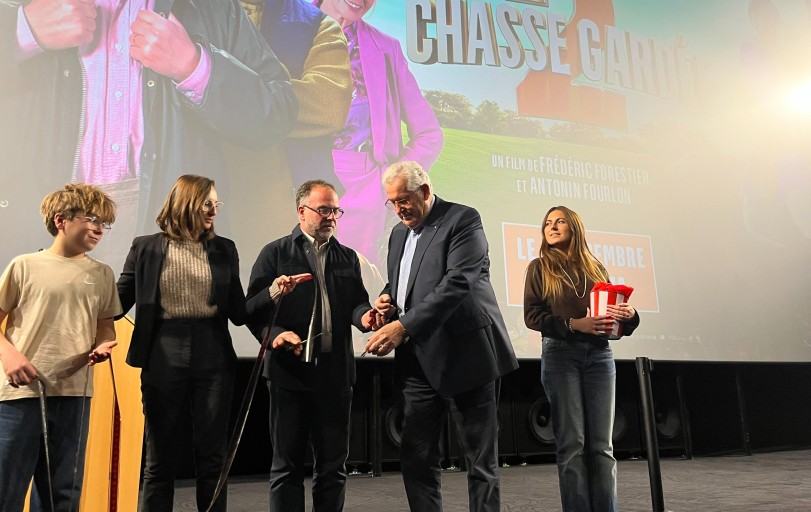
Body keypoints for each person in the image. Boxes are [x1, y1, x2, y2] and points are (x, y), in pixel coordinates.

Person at [0, 0, 298, 316]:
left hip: (156, 244)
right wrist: (20, 28)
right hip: (6, 231)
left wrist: (195, 66)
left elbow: (275, 113)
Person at [363, 161, 518, 512]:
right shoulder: (398, 233)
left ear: (425, 191)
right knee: (416, 458)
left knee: (480, 462)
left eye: (404, 199)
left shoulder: (462, 219)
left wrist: (403, 326)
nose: (399, 209)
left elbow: (457, 283)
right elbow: (405, 281)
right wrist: (388, 300)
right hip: (417, 363)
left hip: (467, 356)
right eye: (392, 202)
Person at [0, 183, 121, 512]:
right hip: (19, 394)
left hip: (74, 395)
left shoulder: (102, 274)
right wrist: (9, 355)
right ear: (61, 220)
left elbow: (105, 327)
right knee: (1, 491)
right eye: (91, 219)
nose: (99, 228)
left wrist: (103, 345)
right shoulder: (24, 265)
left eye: (104, 223)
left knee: (61, 494)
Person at [214, 0, 352, 255]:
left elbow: (328, 106)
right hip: (194, 209)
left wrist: (206, 82)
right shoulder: (180, 4)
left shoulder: (318, 26)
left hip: (278, 224)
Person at [116, 175, 253, 512]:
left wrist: (275, 291)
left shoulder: (224, 249)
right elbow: (117, 303)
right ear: (186, 202)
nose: (214, 211)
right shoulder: (145, 247)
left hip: (214, 354)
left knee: (212, 457)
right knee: (160, 457)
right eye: (208, 204)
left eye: (216, 205)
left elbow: (238, 312)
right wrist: (84, 283)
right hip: (163, 352)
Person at [245, 179, 375, 512]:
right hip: (289, 375)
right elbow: (252, 311)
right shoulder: (275, 253)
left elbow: (356, 304)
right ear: (301, 211)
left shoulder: (347, 257)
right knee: (286, 467)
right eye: (324, 210)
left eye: (336, 211)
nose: (331, 217)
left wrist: (366, 317)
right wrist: (276, 335)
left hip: (335, 376)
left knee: (333, 467)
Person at [314, 0, 444, 269]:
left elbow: (429, 134)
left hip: (362, 192)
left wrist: (389, 184)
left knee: (353, 287)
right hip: (291, 180)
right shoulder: (285, 26)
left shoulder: (386, 49)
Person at [523, 206, 640, 512]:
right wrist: (575, 325)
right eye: (547, 223)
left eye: (559, 221)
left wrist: (629, 315)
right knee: (572, 445)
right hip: (561, 356)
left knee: (602, 447)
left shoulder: (596, 268)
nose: (552, 226)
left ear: (574, 227)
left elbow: (613, 321)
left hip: (600, 356)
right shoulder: (539, 267)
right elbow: (532, 316)